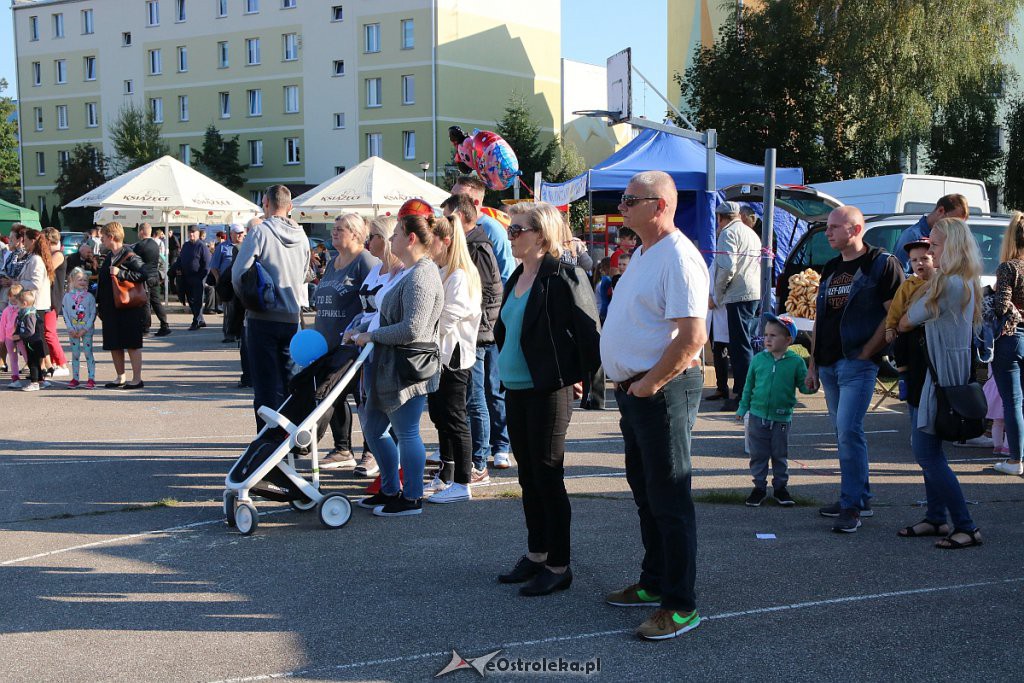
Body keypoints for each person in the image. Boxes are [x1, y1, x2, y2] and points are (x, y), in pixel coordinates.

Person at [600, 171, 709, 641]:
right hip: (636, 391)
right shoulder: (645, 253)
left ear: (659, 205)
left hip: (662, 390)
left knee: (669, 499)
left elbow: (692, 336)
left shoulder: (680, 257)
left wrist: (648, 385)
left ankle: (680, 605)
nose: (621, 206)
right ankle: (654, 582)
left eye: (630, 199)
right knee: (646, 494)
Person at [495, 202, 601, 596]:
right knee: (528, 477)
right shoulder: (516, 276)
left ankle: (559, 565)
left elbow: (590, 334)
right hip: (517, 389)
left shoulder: (564, 275)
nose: (511, 235)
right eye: (510, 229)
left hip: (548, 389)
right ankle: (537, 554)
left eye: (517, 229)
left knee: (547, 476)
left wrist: (588, 383)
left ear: (541, 235)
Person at [805, 206, 904, 532]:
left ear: (856, 228)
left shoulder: (881, 263)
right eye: (828, 227)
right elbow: (821, 317)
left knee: (848, 431)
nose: (828, 232)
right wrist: (813, 362)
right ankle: (858, 497)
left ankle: (851, 507)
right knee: (843, 433)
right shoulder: (832, 266)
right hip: (831, 362)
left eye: (835, 227)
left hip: (858, 363)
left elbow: (894, 316)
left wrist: (868, 351)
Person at [348, 203, 444, 517]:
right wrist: (364, 329)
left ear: (412, 239)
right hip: (390, 366)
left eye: (397, 234)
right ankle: (390, 489)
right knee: (375, 430)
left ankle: (412, 497)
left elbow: (413, 328)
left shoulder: (422, 275)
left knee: (407, 433)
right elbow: (384, 316)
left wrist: (371, 336)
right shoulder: (409, 272)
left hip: (407, 368)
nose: (391, 241)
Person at [895, 217, 983, 548]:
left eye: (935, 244)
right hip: (942, 376)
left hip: (936, 380)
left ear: (952, 247)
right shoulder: (964, 281)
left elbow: (907, 320)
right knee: (930, 450)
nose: (928, 250)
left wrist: (909, 314)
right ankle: (935, 518)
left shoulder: (948, 283)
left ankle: (966, 525)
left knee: (926, 452)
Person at [441, 193, 510, 477]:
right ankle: (470, 457)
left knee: (476, 397)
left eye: (447, 217)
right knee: (471, 398)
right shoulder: (470, 244)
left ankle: (479, 461)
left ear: (460, 217)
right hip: (474, 333)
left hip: (476, 335)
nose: (441, 224)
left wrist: (480, 331)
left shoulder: (477, 246)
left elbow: (487, 294)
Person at [231, 185, 311, 430]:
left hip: (262, 316)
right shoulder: (302, 236)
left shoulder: (259, 232)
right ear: (290, 207)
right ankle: (294, 437)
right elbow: (306, 274)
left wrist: (249, 299)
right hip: (292, 317)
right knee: (291, 381)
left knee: (265, 385)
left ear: (265, 203)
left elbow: (238, 274)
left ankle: (268, 440)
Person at [313, 213, 378, 469]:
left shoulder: (365, 261)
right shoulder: (333, 262)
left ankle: (372, 452)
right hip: (327, 343)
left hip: (355, 346)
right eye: (334, 228)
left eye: (341, 229)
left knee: (363, 400)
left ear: (355, 232)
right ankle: (342, 449)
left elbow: (375, 301)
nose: (334, 232)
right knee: (333, 397)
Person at [424, 213, 482, 504]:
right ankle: (446, 474)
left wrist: (420, 331)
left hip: (454, 358)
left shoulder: (459, 275)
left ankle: (463, 481)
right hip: (440, 356)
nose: (425, 245)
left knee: (455, 418)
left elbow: (447, 320)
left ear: (445, 241)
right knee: (440, 417)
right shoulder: (443, 269)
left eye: (430, 240)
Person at [735, 313, 816, 507]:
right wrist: (742, 407)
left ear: (788, 340)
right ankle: (759, 488)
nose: (767, 339)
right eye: (766, 335)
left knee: (779, 455)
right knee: (758, 455)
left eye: (773, 335)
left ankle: (780, 487)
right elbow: (749, 386)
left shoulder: (796, 362)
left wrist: (811, 385)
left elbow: (804, 386)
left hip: (781, 418)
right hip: (757, 416)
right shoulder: (758, 360)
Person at [345, 215, 402, 478]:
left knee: (382, 408)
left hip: (379, 345)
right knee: (365, 401)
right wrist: (354, 327)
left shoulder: (398, 272)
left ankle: (379, 457)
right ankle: (374, 452)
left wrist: (364, 330)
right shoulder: (375, 269)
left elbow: (385, 315)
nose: (370, 242)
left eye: (375, 237)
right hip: (363, 345)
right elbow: (366, 309)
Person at [713, 201, 761, 412]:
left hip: (738, 293)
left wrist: (718, 293)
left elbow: (726, 266)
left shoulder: (727, 233)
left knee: (740, 347)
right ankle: (746, 391)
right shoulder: (750, 232)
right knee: (747, 343)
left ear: (720, 218)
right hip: (753, 291)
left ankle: (743, 394)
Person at [989, 210, 1024, 476]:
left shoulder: (1009, 267)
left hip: (1012, 338)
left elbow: (1001, 306)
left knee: (1013, 402)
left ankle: (1015, 460)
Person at [96, 222, 148, 389]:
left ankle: (137, 379)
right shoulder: (109, 255)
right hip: (111, 307)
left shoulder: (130, 255)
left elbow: (144, 274)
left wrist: (122, 273)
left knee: (132, 343)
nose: (101, 240)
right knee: (114, 343)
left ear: (111, 237)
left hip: (129, 306)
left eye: (103, 237)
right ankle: (120, 377)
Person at [884, 240, 935, 397]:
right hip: (909, 330)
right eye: (914, 260)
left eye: (925, 259)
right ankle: (903, 378)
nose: (919, 263)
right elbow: (896, 308)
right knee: (900, 348)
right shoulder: (908, 284)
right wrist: (890, 327)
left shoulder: (940, 282)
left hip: (930, 332)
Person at [893, 194, 970, 270]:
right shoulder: (912, 235)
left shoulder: (950, 237)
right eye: (953, 221)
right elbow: (900, 274)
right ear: (941, 211)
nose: (955, 227)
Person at [39, 228, 70, 378]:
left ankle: (62, 364)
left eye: (43, 240)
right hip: (45, 298)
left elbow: (46, 268)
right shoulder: (50, 254)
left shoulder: (58, 255)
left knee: (49, 333)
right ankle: (50, 363)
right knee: (44, 333)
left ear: (49, 240)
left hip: (53, 299)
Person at [133, 223, 172, 337]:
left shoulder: (139, 246)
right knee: (156, 302)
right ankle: (165, 325)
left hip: (145, 277)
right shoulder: (155, 244)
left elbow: (134, 261)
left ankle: (145, 329)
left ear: (141, 232)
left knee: (145, 303)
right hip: (155, 276)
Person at [62, 267, 97, 389]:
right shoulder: (67, 297)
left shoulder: (90, 297)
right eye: (79, 280)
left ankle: (91, 378)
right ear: (72, 280)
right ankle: (75, 378)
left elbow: (93, 314)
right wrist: (70, 328)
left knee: (88, 353)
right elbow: (65, 312)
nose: (82, 282)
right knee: (75, 354)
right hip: (73, 330)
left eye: (85, 280)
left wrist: (85, 328)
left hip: (86, 330)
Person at [172, 226, 211, 331]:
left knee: (197, 301)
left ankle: (196, 321)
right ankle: (200, 319)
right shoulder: (186, 245)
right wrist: (175, 269)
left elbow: (207, 264)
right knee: (190, 300)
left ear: (198, 233)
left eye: (193, 232)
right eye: (190, 233)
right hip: (186, 277)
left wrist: (201, 277)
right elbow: (180, 259)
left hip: (198, 277)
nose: (191, 235)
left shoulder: (202, 246)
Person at [211, 224, 245, 343]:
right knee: (228, 310)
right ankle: (228, 334)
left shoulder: (247, 246)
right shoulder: (222, 247)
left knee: (240, 310)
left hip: (241, 284)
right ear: (231, 234)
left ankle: (239, 333)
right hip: (227, 284)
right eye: (237, 233)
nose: (240, 235)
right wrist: (219, 280)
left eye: (241, 232)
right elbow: (214, 266)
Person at [12, 289, 44, 392]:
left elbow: (30, 331)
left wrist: (20, 336)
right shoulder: (25, 313)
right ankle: (40, 380)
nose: (17, 305)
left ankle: (34, 382)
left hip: (33, 342)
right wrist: (16, 333)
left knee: (33, 363)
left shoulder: (30, 314)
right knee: (34, 362)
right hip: (31, 341)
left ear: (24, 303)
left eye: (18, 303)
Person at [2, 283, 25, 387]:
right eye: (12, 295)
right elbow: (2, 325)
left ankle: (36, 375)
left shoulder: (22, 310)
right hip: (9, 337)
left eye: (17, 296)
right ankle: (15, 377)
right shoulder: (6, 310)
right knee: (12, 357)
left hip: (20, 337)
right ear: (9, 296)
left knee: (26, 355)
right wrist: (2, 339)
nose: (14, 298)